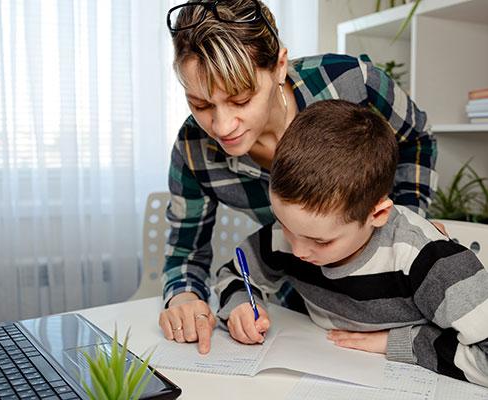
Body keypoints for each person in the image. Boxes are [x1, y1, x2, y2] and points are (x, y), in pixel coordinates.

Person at [158, 0, 438, 355]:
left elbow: (417, 139)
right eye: (200, 104)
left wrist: (410, 220)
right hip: (303, 310)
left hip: (398, 300)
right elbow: (185, 251)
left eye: (241, 100)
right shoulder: (193, 149)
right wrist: (183, 296)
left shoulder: (352, 84)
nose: (222, 126)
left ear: (278, 66)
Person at [215, 99, 488, 386]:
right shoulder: (295, 232)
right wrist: (241, 306)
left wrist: (397, 342)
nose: (297, 250)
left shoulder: (429, 261)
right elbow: (235, 273)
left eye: (320, 241)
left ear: (378, 214)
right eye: (285, 226)